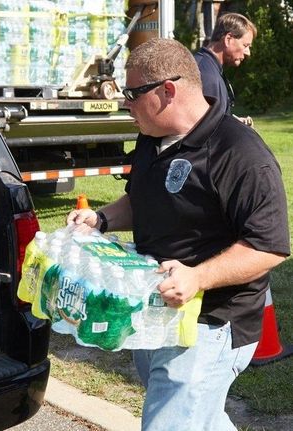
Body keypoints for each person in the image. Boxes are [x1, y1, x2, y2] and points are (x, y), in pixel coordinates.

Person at [67, 38, 289, 431]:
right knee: (197, 419)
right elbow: (141, 199)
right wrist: (100, 219)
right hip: (155, 313)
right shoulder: (152, 137)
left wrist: (197, 276)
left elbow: (268, 246)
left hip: (210, 324)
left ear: (167, 91)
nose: (126, 104)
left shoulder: (240, 154)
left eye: (133, 94)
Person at [194, 12, 256, 125]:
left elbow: (213, 119)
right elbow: (200, 130)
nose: (248, 53)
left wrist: (233, 123)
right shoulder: (205, 74)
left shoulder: (208, 66)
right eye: (245, 45)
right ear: (228, 39)